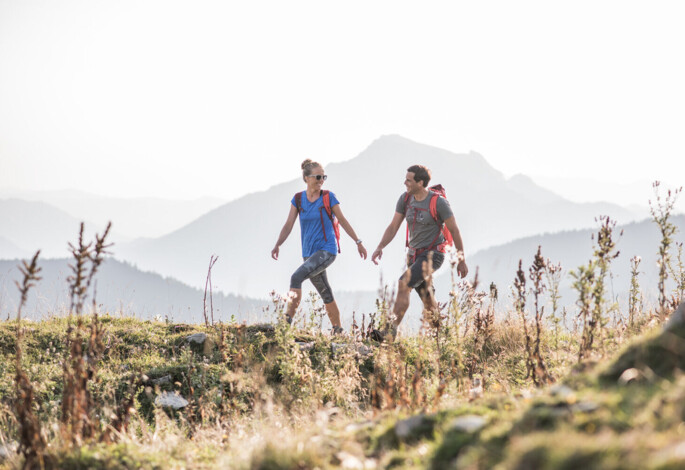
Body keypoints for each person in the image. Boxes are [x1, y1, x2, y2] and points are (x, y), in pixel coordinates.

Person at [371, 164, 468, 339]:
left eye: (409, 180)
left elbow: (455, 230)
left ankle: (388, 332)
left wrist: (461, 259)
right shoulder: (405, 199)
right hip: (413, 255)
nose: (405, 182)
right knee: (427, 297)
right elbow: (393, 226)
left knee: (404, 283)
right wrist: (380, 247)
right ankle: (442, 337)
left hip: (433, 254)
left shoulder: (438, 202)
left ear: (420, 182)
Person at [272, 159, 367, 334]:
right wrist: (278, 244)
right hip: (308, 253)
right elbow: (288, 225)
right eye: (318, 176)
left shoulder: (328, 197)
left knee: (296, 277)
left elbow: (343, 220)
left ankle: (285, 326)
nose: (321, 180)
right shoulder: (298, 199)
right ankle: (338, 331)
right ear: (307, 178)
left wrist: (358, 242)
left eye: (324, 176)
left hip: (326, 250)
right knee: (325, 292)